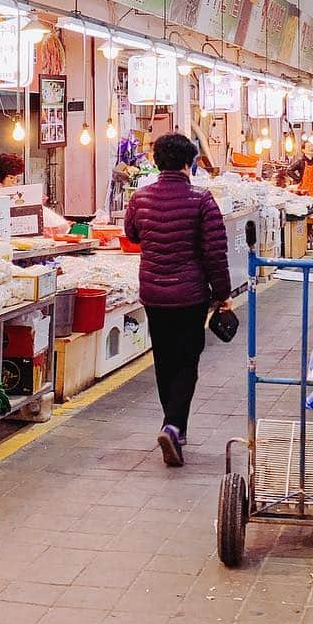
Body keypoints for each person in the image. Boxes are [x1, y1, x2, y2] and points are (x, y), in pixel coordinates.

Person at [123, 132, 232, 467]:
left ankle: (173, 426)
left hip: (154, 295)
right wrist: (223, 295)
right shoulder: (202, 200)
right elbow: (215, 252)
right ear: (190, 162)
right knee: (187, 362)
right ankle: (173, 426)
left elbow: (132, 234)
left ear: (158, 162)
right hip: (190, 297)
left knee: (164, 361)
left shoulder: (140, 198)